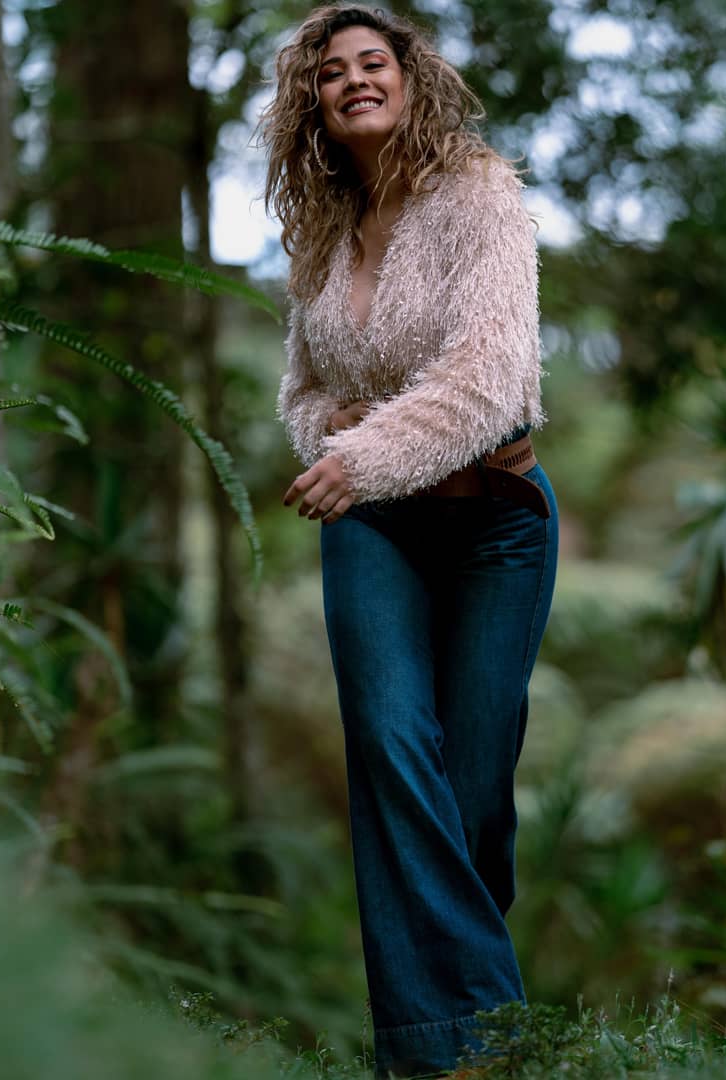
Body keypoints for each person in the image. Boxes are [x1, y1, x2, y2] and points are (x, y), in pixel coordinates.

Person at [261, 5, 558, 1076]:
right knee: (391, 748)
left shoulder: (481, 193)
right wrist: (332, 442)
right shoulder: (321, 236)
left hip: (495, 524)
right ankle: (460, 1046)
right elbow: (305, 391)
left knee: (473, 789)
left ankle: (470, 1027)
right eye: (330, 73)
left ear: (407, 75)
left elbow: (492, 379)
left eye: (370, 62)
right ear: (315, 104)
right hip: (375, 526)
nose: (352, 81)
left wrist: (361, 452)